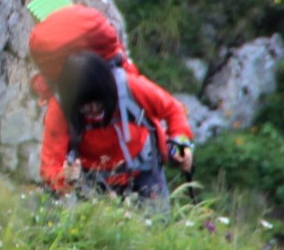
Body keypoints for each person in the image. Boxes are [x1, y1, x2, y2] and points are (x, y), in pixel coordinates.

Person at [39, 49, 194, 204]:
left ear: (107, 91)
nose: (93, 110)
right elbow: (50, 165)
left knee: (158, 224)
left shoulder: (129, 86)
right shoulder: (60, 108)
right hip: (92, 183)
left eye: (98, 103)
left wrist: (181, 143)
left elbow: (173, 109)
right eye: (84, 107)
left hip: (143, 172)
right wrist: (65, 179)